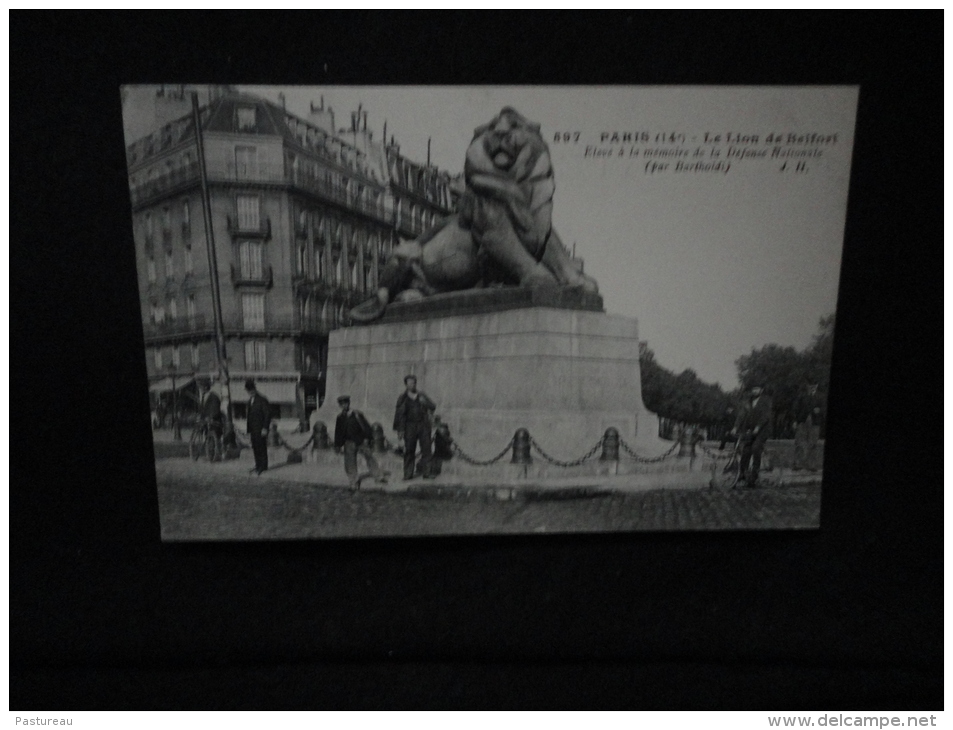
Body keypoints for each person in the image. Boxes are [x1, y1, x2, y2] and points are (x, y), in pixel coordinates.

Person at [333, 395, 386, 489]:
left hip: (361, 441)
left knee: (370, 458)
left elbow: (366, 426)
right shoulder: (340, 417)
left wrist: (367, 438)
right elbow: (338, 432)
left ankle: (378, 476)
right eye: (341, 404)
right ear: (340, 406)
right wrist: (337, 445)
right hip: (348, 442)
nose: (344, 406)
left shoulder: (357, 414)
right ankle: (354, 481)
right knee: (350, 463)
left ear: (348, 403)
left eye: (345, 403)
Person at [393, 374, 437, 480]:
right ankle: (408, 474)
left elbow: (433, 406)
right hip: (409, 427)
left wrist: (425, 402)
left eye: (414, 383)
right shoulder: (402, 398)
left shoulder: (421, 395)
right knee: (409, 451)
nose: (412, 385)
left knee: (426, 450)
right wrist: (400, 430)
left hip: (423, 425)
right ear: (406, 385)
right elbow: (398, 415)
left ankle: (427, 473)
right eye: (410, 383)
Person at [734, 384, 774, 487]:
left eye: (757, 389)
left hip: (763, 429)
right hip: (752, 430)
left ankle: (754, 476)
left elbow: (766, 416)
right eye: (753, 389)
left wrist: (758, 427)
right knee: (746, 449)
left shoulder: (766, 400)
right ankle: (742, 474)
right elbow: (742, 414)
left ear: (761, 390)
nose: (755, 391)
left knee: (756, 447)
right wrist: (735, 427)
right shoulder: (749, 401)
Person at [245, 378, 271, 475]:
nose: (250, 393)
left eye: (252, 390)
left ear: (255, 389)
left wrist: (265, 428)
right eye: (249, 391)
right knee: (255, 447)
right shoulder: (249, 402)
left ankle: (263, 466)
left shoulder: (262, 400)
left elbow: (267, 414)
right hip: (253, 429)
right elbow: (249, 417)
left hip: (260, 429)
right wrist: (248, 430)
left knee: (261, 447)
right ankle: (257, 464)